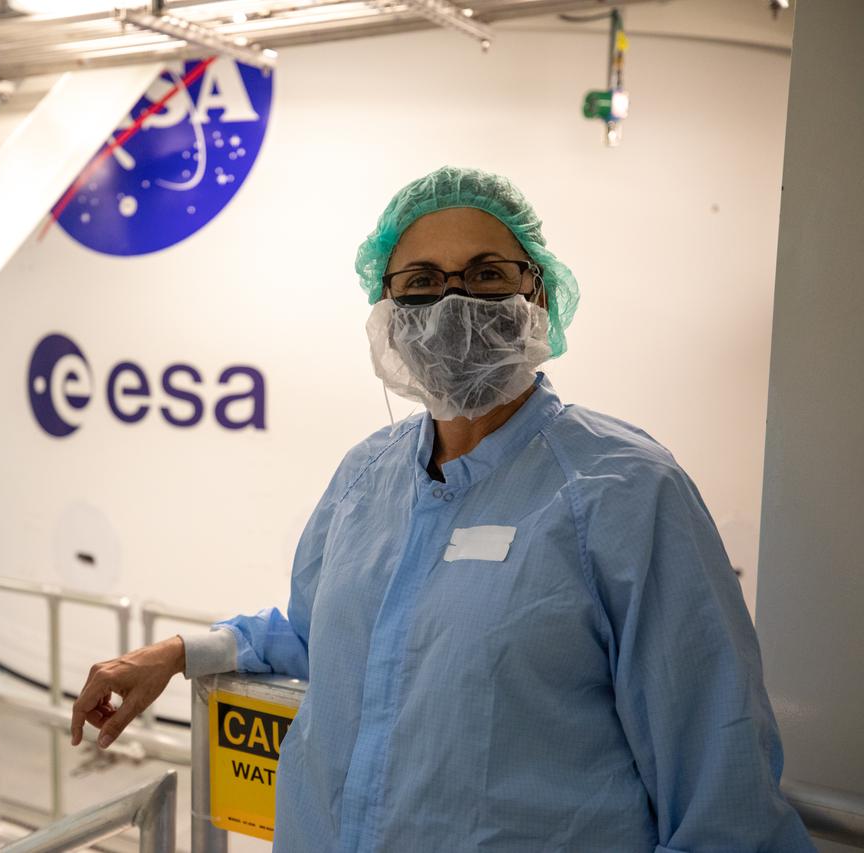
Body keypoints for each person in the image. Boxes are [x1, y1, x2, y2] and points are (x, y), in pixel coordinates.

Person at [70, 166, 813, 852]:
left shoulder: (626, 492)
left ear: (540, 294)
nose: (455, 302)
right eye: (422, 280)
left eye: (487, 275)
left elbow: (721, 790)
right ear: (388, 312)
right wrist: (174, 654)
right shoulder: (368, 475)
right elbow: (322, 631)